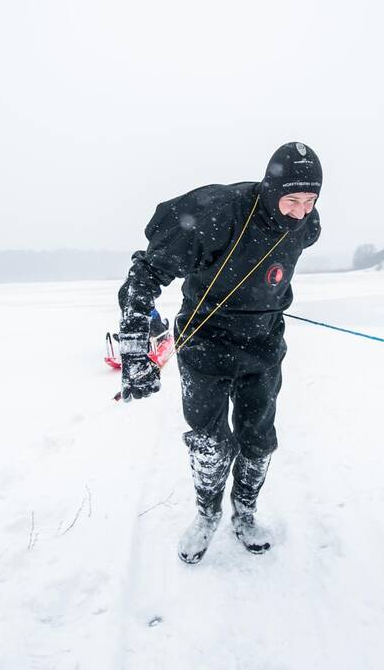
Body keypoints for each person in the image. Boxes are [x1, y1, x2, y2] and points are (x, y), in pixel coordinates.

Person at [117, 141, 322, 564]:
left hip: (263, 342)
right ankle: (206, 514)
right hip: (205, 340)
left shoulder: (308, 224)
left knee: (259, 439)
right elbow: (145, 273)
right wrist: (136, 350)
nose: (300, 211)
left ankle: (245, 513)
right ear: (270, 190)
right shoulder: (216, 214)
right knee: (208, 441)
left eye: (310, 200)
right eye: (292, 199)